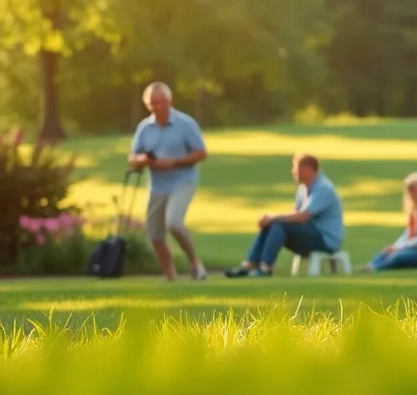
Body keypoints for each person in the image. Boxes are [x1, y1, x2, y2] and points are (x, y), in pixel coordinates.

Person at [127, 82, 209, 281]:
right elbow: (133, 158)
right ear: (147, 104)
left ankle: (195, 263)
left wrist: (173, 162)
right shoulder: (145, 127)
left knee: (173, 222)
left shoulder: (185, 124)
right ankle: (170, 275)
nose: (157, 107)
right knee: (155, 234)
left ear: (169, 101)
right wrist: (143, 160)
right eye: (153, 103)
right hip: (157, 185)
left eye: (161, 102)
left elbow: (201, 153)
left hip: (183, 181)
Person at [225, 153, 345, 278]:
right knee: (272, 225)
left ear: (307, 170)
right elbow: (295, 214)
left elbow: (303, 217)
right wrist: (271, 219)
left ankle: (265, 267)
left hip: (325, 241)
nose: (293, 172)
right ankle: (250, 265)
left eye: (296, 168)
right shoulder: (303, 189)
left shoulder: (323, 188)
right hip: (310, 234)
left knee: (278, 225)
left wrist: (273, 218)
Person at [363, 172, 417, 272]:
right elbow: (408, 234)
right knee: (388, 252)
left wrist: (400, 247)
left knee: (399, 257)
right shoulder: (415, 210)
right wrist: (395, 246)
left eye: (414, 190)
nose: (411, 194)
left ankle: (377, 267)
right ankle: (371, 265)